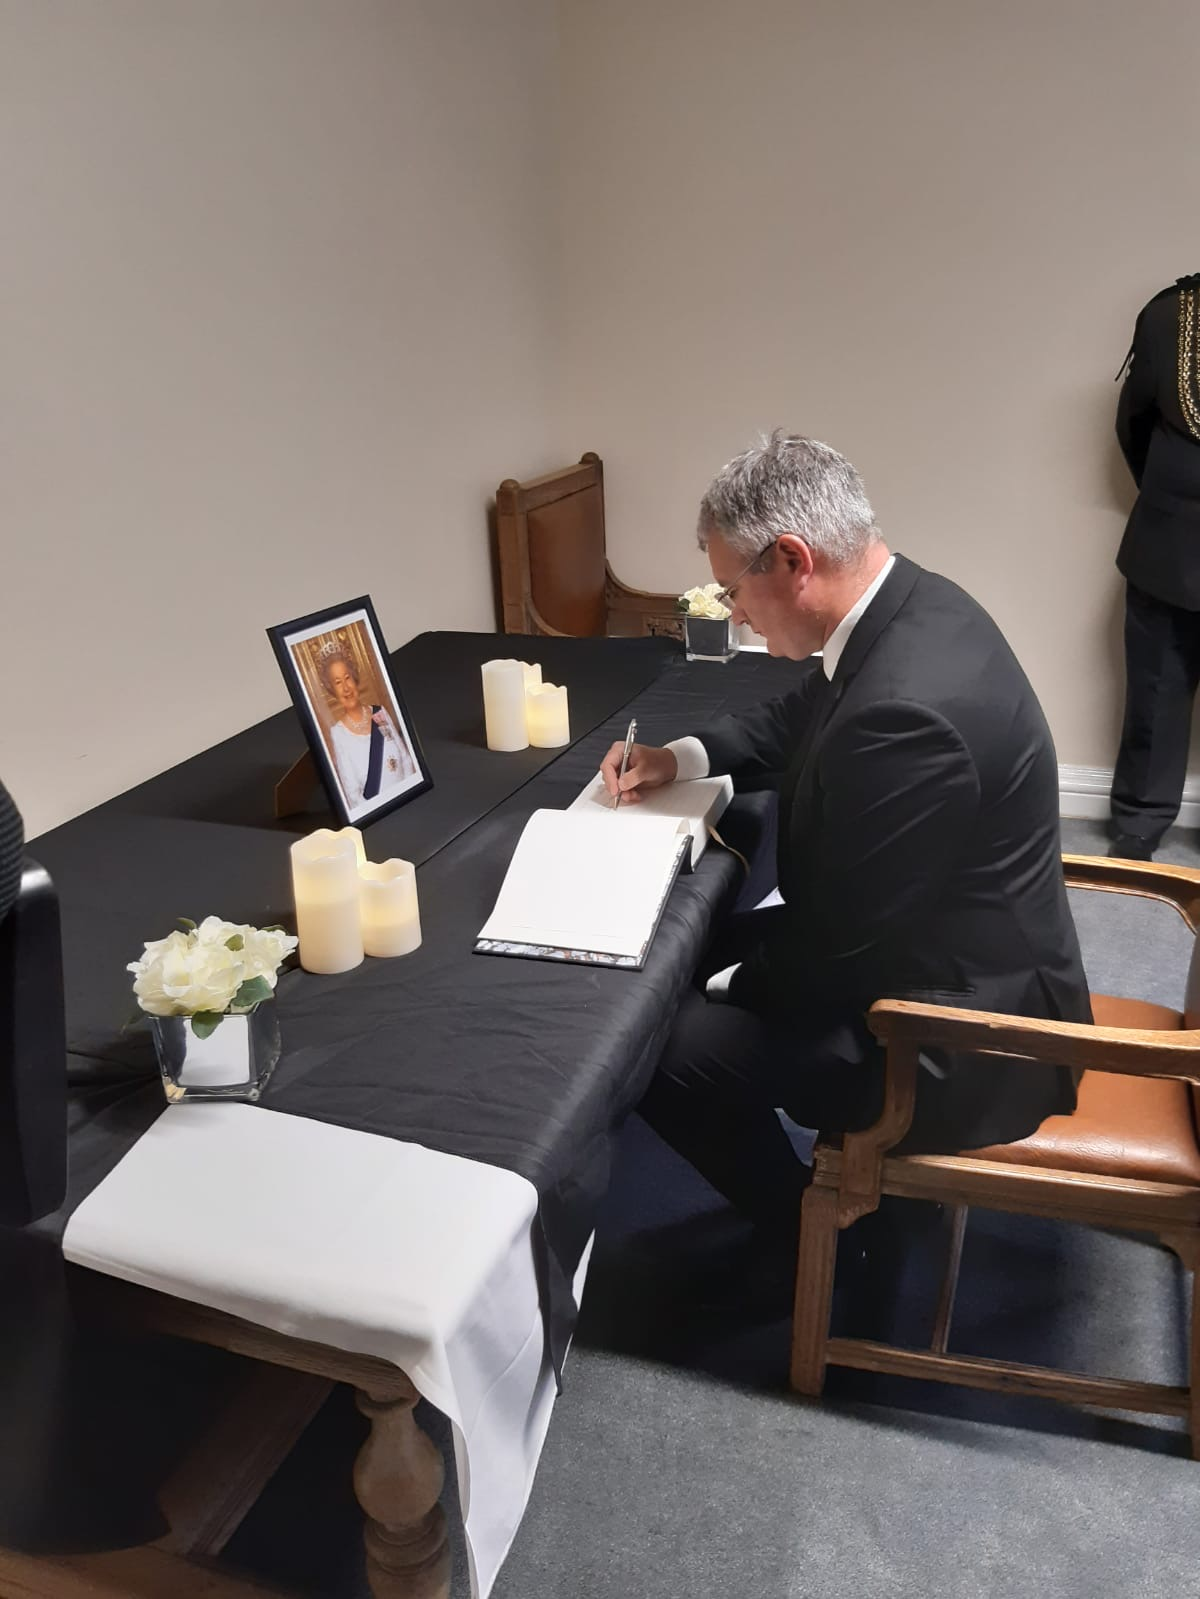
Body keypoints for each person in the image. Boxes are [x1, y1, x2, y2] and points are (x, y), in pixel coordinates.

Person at [600, 432, 1090, 1232]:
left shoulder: (907, 715)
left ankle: (809, 1232)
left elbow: (845, 954)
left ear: (792, 561)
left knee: (656, 1044)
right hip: (936, 944)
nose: (733, 611)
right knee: (680, 955)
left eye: (731, 590)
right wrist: (681, 755)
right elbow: (806, 712)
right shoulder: (914, 603)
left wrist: (718, 980)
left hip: (958, 1034)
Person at [1108, 274, 1200, 861]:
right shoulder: (1171, 315)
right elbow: (1134, 423)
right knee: (1157, 687)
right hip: (1171, 541)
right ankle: (1139, 823)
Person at [318, 645, 416, 807]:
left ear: (355, 679)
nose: (346, 688)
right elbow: (352, 793)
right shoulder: (339, 733)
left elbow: (405, 759)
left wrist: (409, 793)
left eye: (347, 677)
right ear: (332, 690)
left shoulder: (380, 713)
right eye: (338, 682)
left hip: (408, 797)